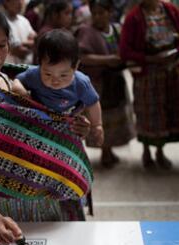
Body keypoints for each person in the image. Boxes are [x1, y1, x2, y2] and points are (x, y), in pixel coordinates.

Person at [0, 2, 93, 245]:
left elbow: (51, 117)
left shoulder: (10, 76)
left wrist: (77, 127)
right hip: (17, 208)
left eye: (2, 45)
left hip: (61, 199)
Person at [15, 29, 104, 147]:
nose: (55, 80)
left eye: (63, 75)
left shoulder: (81, 83)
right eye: (48, 74)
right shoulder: (34, 74)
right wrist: (19, 89)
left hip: (67, 126)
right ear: (39, 63)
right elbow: (17, 80)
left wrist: (97, 125)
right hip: (39, 125)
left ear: (76, 66)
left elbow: (93, 103)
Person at [119, 0, 179, 169]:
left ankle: (160, 152)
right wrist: (151, 59)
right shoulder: (134, 17)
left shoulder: (170, 10)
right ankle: (146, 152)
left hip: (171, 73)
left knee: (166, 112)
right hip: (147, 74)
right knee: (148, 113)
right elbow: (125, 51)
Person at [76, 0, 136, 168]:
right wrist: (108, 60)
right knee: (102, 117)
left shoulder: (116, 29)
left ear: (109, 12)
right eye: (94, 13)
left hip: (115, 81)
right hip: (98, 84)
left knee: (116, 114)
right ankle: (105, 152)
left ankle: (109, 150)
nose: (97, 17)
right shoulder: (86, 31)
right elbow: (82, 56)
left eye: (101, 13)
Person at [2, 0, 37, 64]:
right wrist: (31, 45)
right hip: (11, 70)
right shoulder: (2, 22)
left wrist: (22, 44)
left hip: (27, 68)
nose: (20, 3)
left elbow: (36, 40)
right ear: (6, 2)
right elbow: (19, 51)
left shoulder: (24, 20)